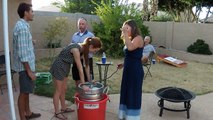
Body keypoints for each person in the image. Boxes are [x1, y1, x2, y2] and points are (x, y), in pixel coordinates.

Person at [50, 37, 102, 120]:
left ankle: (63, 108)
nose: (94, 52)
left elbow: (86, 67)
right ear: (91, 46)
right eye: (95, 50)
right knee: (58, 91)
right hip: (59, 66)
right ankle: (57, 112)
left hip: (65, 66)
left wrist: (90, 81)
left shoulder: (84, 50)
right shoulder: (76, 49)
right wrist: (83, 84)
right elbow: (80, 68)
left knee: (64, 89)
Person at [12, 3, 41, 120]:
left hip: (25, 67)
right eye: (32, 11)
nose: (33, 13)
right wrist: (29, 71)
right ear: (26, 13)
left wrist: (31, 42)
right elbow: (23, 54)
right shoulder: (23, 28)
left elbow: (23, 47)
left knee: (27, 91)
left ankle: (28, 113)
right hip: (25, 68)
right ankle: (22, 118)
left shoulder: (22, 26)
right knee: (23, 93)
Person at [117, 19, 144, 120]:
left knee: (133, 93)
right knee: (126, 91)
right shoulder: (131, 38)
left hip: (135, 71)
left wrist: (124, 33)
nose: (125, 30)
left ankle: (133, 117)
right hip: (128, 69)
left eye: (127, 27)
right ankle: (125, 115)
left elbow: (130, 48)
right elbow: (132, 55)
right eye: (124, 27)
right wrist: (123, 64)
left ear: (133, 28)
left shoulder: (138, 38)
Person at [71, 17, 95, 85]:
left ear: (86, 25)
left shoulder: (91, 35)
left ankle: (86, 93)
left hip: (87, 60)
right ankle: (78, 93)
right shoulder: (74, 35)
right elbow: (72, 48)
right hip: (76, 60)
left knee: (88, 78)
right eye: (79, 24)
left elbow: (93, 49)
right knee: (77, 78)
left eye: (82, 24)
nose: (81, 25)